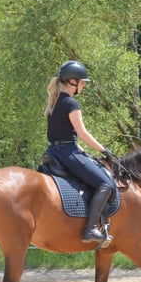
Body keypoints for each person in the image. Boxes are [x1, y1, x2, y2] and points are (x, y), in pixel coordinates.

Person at [45, 60, 118, 244]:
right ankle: (91, 229)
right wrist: (105, 150)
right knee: (106, 184)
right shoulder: (71, 103)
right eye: (82, 82)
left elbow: (61, 133)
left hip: (54, 151)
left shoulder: (54, 100)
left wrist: (79, 147)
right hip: (68, 152)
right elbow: (83, 133)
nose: (84, 85)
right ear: (72, 82)